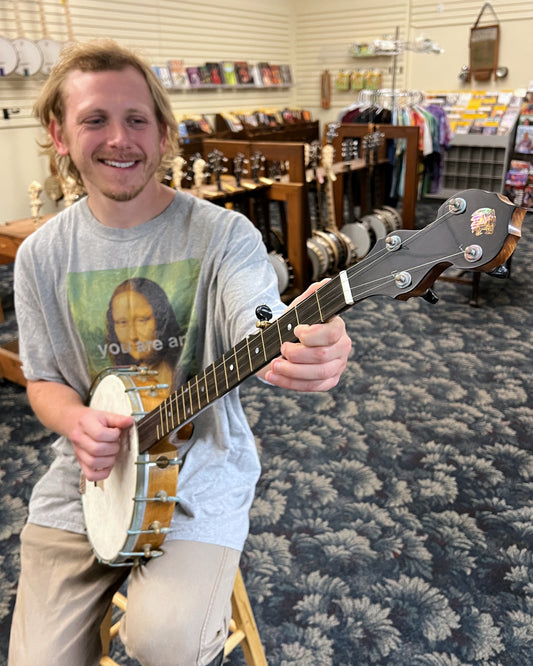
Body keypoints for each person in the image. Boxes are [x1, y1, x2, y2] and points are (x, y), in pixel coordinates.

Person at [8, 39, 352, 666]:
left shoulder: (223, 236)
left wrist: (301, 338)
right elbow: (43, 382)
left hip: (199, 470)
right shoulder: (43, 256)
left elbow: (258, 314)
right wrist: (76, 421)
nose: (120, 138)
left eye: (137, 119)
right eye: (95, 119)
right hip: (89, 475)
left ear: (164, 133)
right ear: (59, 134)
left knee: (163, 641)